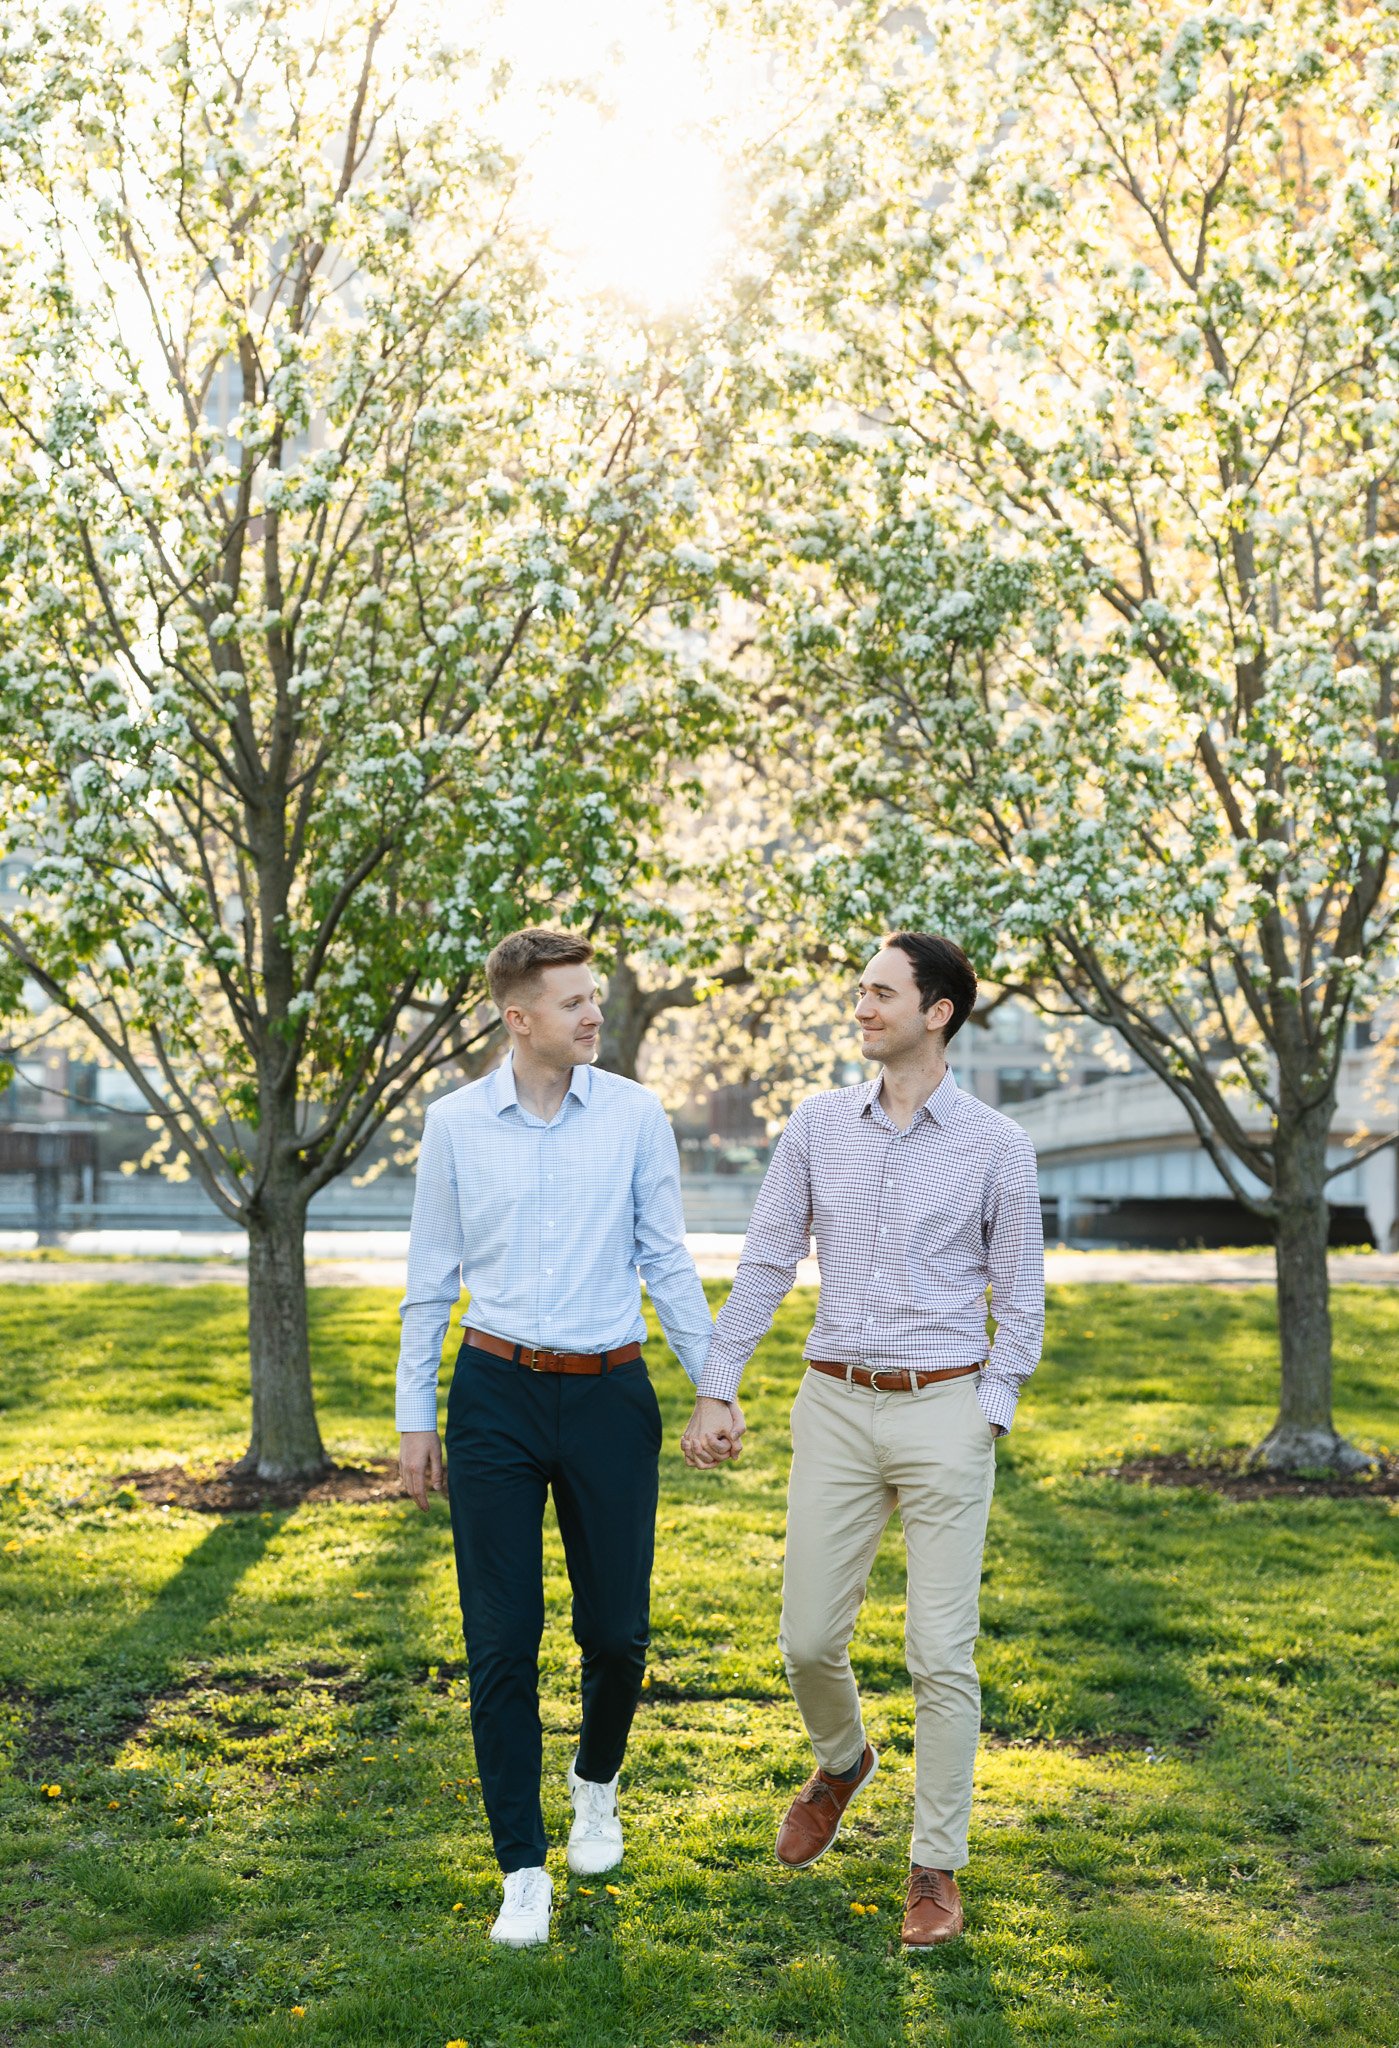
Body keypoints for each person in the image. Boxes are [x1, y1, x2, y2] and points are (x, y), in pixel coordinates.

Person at [680, 931, 1043, 1947]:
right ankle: (843, 1761)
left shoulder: (996, 1145)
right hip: (833, 1404)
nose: (860, 1006)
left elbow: (1020, 1302)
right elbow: (763, 1263)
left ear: (937, 1012)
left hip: (944, 1407)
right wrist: (720, 1383)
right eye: (858, 991)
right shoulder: (813, 1126)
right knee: (804, 1639)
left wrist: (988, 1407)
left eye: (880, 993)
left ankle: (934, 1865)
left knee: (940, 1653)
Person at [398, 928, 740, 1948]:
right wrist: (417, 1414)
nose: (595, 1014)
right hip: (494, 1392)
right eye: (576, 1002)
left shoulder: (634, 1114)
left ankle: (596, 1779)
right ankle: (523, 1866)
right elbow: (429, 1277)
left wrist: (713, 1384)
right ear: (519, 1018)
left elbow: (665, 1256)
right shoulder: (454, 1123)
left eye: (596, 997)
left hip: (610, 1391)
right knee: (500, 1641)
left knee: (617, 1632)